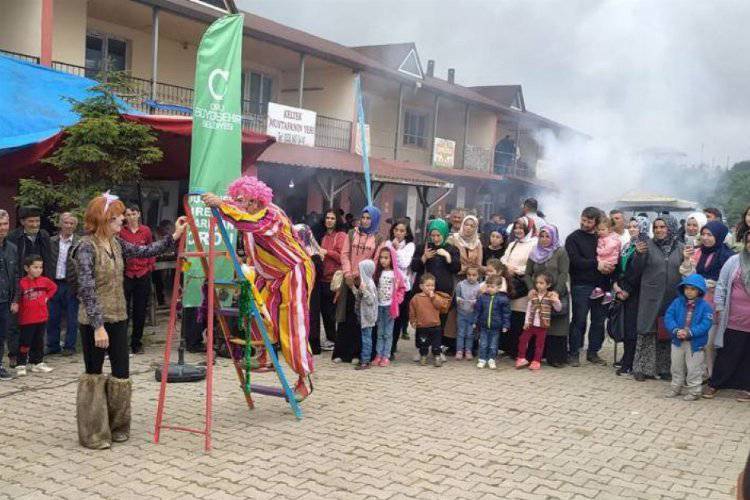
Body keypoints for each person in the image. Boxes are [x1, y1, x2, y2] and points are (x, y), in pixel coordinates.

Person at [75, 192, 186, 449]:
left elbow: (145, 251)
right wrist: (97, 326)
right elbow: (86, 289)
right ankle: (93, 433)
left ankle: (117, 426)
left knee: (121, 372)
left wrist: (175, 236)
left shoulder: (117, 243)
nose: (122, 221)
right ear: (104, 219)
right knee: (93, 375)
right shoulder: (85, 247)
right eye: (117, 217)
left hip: (118, 316)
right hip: (94, 322)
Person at [202, 178, 315, 400]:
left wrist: (222, 206)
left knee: (292, 324)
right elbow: (236, 208)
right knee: (255, 310)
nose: (245, 205)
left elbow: (250, 222)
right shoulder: (245, 209)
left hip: (294, 271)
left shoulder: (271, 215)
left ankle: (304, 379)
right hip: (267, 274)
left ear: (259, 199)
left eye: (248, 201)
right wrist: (219, 201)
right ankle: (263, 354)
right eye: (241, 201)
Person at [628, 215, 684, 382]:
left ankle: (664, 368)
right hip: (650, 296)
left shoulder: (681, 248)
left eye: (663, 227)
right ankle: (641, 368)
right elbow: (635, 270)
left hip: (672, 296)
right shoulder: (647, 246)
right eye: (656, 227)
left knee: (666, 331)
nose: (659, 230)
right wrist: (638, 255)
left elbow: (686, 270)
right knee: (647, 330)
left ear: (671, 228)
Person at [680, 220, 735, 376]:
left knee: (710, 342)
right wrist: (686, 260)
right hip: (695, 303)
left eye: (709, 235)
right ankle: (696, 373)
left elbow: (728, 282)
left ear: (719, 236)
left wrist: (707, 283)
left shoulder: (728, 257)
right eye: (703, 234)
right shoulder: (697, 252)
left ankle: (711, 374)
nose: (705, 238)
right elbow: (687, 275)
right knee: (696, 338)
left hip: (715, 305)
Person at [703, 230, 750, 402]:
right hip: (733, 317)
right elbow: (722, 284)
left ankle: (746, 388)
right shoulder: (734, 260)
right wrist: (720, 305)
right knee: (727, 352)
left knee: (748, 354)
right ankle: (715, 383)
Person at [332, 206, 382, 364]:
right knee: (345, 315)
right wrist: (347, 273)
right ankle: (341, 353)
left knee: (360, 317)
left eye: (369, 218)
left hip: (364, 282)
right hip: (348, 281)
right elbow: (345, 254)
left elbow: (375, 261)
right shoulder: (352, 233)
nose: (365, 221)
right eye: (364, 217)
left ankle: (356, 353)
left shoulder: (379, 238)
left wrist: (362, 278)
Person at [7, 205, 52, 368]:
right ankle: (15, 354)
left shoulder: (44, 235)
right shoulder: (13, 237)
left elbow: (49, 260)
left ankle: (36, 357)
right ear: (22, 222)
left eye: (37, 221)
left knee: (38, 322)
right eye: (31, 221)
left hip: (39, 285)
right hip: (19, 284)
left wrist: (47, 284)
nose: (35, 224)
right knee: (16, 322)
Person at [411, 218, 460, 358]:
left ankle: (436, 349)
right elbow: (414, 267)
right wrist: (424, 258)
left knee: (440, 322)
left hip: (443, 293)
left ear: (445, 234)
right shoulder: (423, 247)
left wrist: (448, 257)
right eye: (433, 235)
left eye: (439, 235)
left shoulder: (452, 248)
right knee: (423, 321)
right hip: (424, 292)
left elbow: (457, 268)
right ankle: (421, 349)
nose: (436, 238)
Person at [565, 207, 608, 367]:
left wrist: (608, 266)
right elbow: (575, 262)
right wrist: (597, 263)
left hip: (601, 285)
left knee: (598, 320)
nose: (585, 224)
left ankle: (593, 352)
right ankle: (574, 352)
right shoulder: (573, 238)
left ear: (596, 222)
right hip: (581, 285)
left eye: (589, 221)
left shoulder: (602, 238)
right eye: (583, 220)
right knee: (579, 320)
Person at [525, 225, 570, 368]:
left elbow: (564, 273)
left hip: (555, 293)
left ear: (553, 237)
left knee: (557, 326)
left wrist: (556, 291)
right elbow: (527, 273)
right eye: (541, 236)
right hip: (538, 294)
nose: (544, 239)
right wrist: (531, 288)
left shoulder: (560, 252)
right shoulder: (534, 251)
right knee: (538, 323)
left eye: (547, 236)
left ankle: (555, 357)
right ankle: (536, 356)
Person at [664, 274, 713, 401]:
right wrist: (676, 330)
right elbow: (669, 317)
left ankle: (694, 391)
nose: (689, 292)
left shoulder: (705, 306)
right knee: (676, 366)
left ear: (700, 291)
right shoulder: (677, 302)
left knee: (694, 368)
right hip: (677, 341)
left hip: (695, 344)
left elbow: (706, 324)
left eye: (693, 289)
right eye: (687, 288)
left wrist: (690, 332)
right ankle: (676, 387)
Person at [612, 216, 650, 375]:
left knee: (631, 328)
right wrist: (615, 284)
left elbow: (638, 272)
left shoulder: (645, 246)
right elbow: (619, 267)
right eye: (631, 226)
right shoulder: (628, 245)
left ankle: (630, 361)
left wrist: (626, 290)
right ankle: (626, 358)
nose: (632, 229)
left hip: (636, 292)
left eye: (636, 226)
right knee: (625, 326)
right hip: (622, 289)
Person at [119, 205, 154, 355]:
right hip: (126, 274)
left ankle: (136, 343)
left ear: (138, 214)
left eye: (134, 213)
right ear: (125, 217)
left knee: (140, 310)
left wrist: (150, 265)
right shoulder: (121, 231)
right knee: (123, 310)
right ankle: (121, 343)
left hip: (143, 273)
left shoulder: (145, 230)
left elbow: (151, 248)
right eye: (128, 214)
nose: (131, 217)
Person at [501, 217, 537, 358]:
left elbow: (532, 265)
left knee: (520, 319)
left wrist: (515, 269)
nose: (518, 230)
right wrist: (506, 267)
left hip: (522, 285)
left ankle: (520, 351)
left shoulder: (534, 244)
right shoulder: (513, 244)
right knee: (510, 317)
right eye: (516, 227)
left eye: (521, 228)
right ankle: (509, 349)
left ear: (528, 228)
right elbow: (504, 259)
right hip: (511, 285)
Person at [16, 255, 57, 376]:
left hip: (42, 317)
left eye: (40, 267)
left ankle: (37, 363)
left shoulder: (45, 281)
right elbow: (17, 298)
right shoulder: (21, 283)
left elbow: (54, 287)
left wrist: (47, 297)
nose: (38, 270)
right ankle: (21, 364)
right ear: (26, 268)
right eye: (35, 267)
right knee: (25, 342)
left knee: (39, 341)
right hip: (27, 319)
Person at [46, 212, 80, 356]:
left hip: (71, 283)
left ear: (75, 226)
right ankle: (53, 345)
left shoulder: (80, 242)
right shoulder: (51, 241)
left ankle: (69, 346)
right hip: (53, 283)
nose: (68, 226)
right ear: (60, 224)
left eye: (72, 223)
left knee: (72, 317)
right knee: (52, 316)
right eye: (66, 222)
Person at [381, 218, 415, 357]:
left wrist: (394, 250)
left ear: (406, 233)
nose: (398, 233)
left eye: (402, 231)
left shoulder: (410, 245)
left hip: (402, 287)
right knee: (385, 317)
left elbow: (404, 262)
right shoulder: (387, 243)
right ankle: (382, 347)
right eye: (396, 230)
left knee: (397, 318)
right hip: (387, 284)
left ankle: (392, 348)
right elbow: (385, 261)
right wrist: (392, 249)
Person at [516, 271, 562, 371]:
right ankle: (521, 358)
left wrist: (556, 301)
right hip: (531, 324)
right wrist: (526, 322)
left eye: (541, 283)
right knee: (523, 340)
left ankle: (536, 361)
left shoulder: (550, 296)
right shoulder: (533, 295)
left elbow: (558, 308)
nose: (538, 285)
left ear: (548, 285)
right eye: (537, 283)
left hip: (542, 325)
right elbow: (528, 309)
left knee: (539, 344)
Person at [371, 245, 405, 367]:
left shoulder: (396, 274)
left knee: (388, 333)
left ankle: (386, 356)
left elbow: (402, 288)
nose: (383, 260)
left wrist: (398, 300)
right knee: (380, 332)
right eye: (381, 258)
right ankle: (378, 355)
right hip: (379, 306)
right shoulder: (378, 273)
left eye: (386, 258)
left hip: (390, 307)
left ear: (392, 259)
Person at [293, 224, 324, 355]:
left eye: (301, 235)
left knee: (312, 316)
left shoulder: (315, 254)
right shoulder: (294, 252)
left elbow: (319, 273)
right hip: (298, 289)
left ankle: (312, 344)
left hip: (313, 291)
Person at [409, 273, 451, 367]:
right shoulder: (416, 298)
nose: (430, 287)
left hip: (435, 326)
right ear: (421, 286)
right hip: (422, 326)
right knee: (423, 344)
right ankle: (423, 356)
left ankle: (437, 357)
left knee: (436, 344)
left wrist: (433, 297)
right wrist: (412, 321)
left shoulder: (436, 296)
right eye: (427, 285)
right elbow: (412, 311)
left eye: (432, 285)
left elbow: (441, 306)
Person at [318, 209, 346, 351]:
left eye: (332, 218)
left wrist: (326, 252)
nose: (329, 220)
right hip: (323, 278)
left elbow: (342, 256)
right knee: (324, 311)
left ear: (337, 221)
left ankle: (335, 339)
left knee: (333, 311)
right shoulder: (324, 237)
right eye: (327, 218)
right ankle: (330, 339)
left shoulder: (340, 236)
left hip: (335, 280)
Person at [474, 275, 511, 369]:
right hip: (484, 325)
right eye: (488, 286)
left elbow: (506, 314)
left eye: (492, 287)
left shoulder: (503, 299)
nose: (489, 289)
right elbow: (477, 310)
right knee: (483, 344)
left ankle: (491, 359)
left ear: (498, 287)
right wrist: (475, 321)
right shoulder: (482, 297)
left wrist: (505, 325)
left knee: (493, 345)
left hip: (496, 326)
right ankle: (482, 359)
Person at [0, 210, 18, 381]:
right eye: (0, 224)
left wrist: (15, 299)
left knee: (1, 334)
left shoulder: (12, 248)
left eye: (5, 224)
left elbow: (16, 275)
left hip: (5, 300)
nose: (2, 228)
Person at [590, 216, 621, 304]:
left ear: (609, 229)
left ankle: (605, 292)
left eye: (603, 230)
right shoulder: (602, 238)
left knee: (605, 277)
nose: (600, 232)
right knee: (603, 277)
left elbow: (607, 250)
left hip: (610, 261)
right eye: (599, 230)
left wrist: (598, 251)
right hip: (604, 260)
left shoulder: (612, 239)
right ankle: (604, 291)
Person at [354, 259, 377, 370]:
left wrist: (364, 291)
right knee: (364, 337)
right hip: (364, 316)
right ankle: (364, 358)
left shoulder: (369, 284)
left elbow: (371, 300)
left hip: (368, 317)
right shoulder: (366, 282)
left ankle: (366, 360)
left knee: (366, 338)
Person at [454, 266, 481, 360]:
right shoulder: (460, 284)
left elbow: (480, 300)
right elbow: (456, 296)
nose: (471, 277)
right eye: (469, 275)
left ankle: (468, 350)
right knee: (461, 332)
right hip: (461, 312)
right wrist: (458, 299)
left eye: (474, 275)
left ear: (478, 276)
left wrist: (475, 302)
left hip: (472, 314)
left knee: (470, 333)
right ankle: (459, 350)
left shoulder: (479, 287)